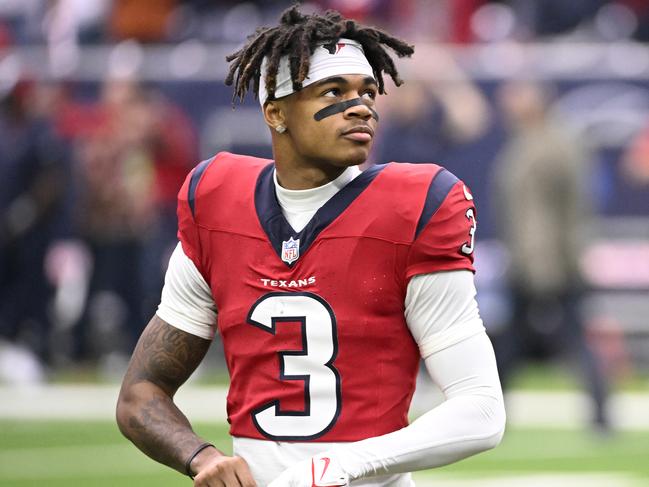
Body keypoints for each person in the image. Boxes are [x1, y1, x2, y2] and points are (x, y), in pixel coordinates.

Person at [116, 5, 506, 486]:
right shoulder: (217, 203)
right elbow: (140, 393)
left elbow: (482, 409)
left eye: (367, 92)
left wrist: (341, 466)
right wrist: (200, 456)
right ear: (276, 112)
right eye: (334, 92)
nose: (360, 106)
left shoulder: (415, 206)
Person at [490, 79, 609, 431]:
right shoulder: (526, 142)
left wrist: (565, 259)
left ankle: (601, 416)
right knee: (509, 346)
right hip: (527, 260)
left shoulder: (557, 143)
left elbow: (573, 208)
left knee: (572, 340)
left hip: (552, 263)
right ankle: (492, 414)